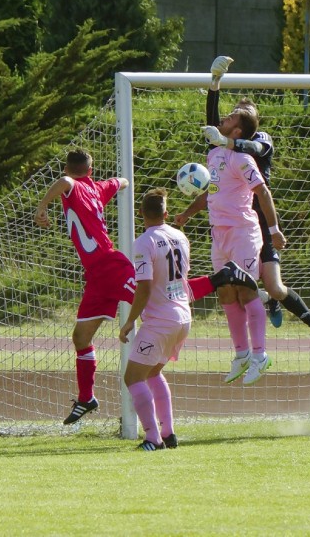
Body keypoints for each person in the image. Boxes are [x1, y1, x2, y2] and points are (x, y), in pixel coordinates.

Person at [35, 149, 256, 425]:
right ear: (90, 171)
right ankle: (86, 398)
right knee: (80, 337)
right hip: (96, 276)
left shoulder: (72, 186)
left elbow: (66, 184)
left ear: (67, 169)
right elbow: (122, 181)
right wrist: (111, 185)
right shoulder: (98, 187)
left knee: (158, 296)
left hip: (111, 267)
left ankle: (220, 277)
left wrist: (42, 206)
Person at [200, 55, 310, 352]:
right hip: (237, 226)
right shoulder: (223, 151)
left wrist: (227, 142)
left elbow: (253, 146)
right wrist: (214, 84)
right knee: (236, 288)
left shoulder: (260, 139)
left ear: (250, 120)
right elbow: (214, 128)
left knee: (275, 286)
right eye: (235, 110)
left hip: (258, 224)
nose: (236, 113)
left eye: (242, 112)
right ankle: (252, 335)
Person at [176, 104, 286, 386]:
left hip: (243, 233)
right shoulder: (213, 154)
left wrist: (274, 230)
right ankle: (242, 354)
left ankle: (260, 356)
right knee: (225, 293)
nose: (223, 118)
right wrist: (187, 213)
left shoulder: (243, 159)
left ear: (237, 130)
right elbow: (211, 192)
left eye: (230, 117)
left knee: (246, 291)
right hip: (220, 235)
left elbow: (262, 191)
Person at [119, 189, 191, 451]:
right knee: (153, 372)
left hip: (161, 321)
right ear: (166, 213)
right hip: (183, 317)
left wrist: (129, 321)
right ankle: (169, 434)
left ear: (140, 213)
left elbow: (145, 287)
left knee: (132, 378)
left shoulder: (143, 242)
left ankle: (152, 438)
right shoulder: (180, 236)